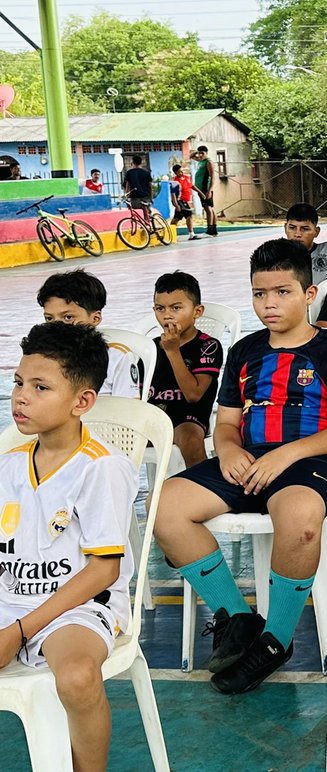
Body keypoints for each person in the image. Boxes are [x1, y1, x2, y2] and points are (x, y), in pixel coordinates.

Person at [152, 239, 327, 694]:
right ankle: (237, 618)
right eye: (259, 293)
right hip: (248, 460)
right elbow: (228, 420)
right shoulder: (246, 350)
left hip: (316, 459)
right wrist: (228, 450)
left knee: (299, 520)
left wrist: (287, 454)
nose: (269, 304)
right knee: (166, 507)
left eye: (282, 292)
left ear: (309, 295)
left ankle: (276, 638)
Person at [1, 322, 139, 772]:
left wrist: (18, 632)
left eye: (41, 387)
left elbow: (103, 571)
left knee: (78, 677)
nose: (21, 396)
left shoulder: (101, 467)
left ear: (82, 401)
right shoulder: (9, 465)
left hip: (76, 607)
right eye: (19, 382)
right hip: (11, 602)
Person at [146, 271, 223, 467]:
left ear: (197, 312)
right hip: (153, 416)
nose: (167, 315)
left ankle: (202, 488)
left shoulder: (209, 346)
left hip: (188, 418)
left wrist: (173, 351)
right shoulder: (148, 348)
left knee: (190, 441)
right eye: (160, 308)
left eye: (176, 308)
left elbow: (193, 394)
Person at [37, 270, 141, 399]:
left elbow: (129, 409)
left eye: (68, 317)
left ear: (95, 319)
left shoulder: (118, 358)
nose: (57, 326)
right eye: (49, 319)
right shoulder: (40, 357)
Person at [284, 202, 327, 286]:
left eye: (305, 229)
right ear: (285, 228)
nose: (297, 234)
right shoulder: (275, 257)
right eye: (292, 228)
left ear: (316, 232)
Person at [191, 145, 218, 236]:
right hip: (200, 188)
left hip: (205, 188)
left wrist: (209, 190)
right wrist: (197, 152)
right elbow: (191, 156)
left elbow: (212, 177)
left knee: (208, 208)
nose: (200, 155)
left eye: (202, 153)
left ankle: (210, 230)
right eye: (199, 153)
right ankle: (213, 230)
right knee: (209, 208)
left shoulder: (208, 162)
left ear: (206, 153)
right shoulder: (201, 161)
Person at [170, 164, 198, 240]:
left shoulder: (186, 178)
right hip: (180, 201)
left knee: (177, 218)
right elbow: (173, 195)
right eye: (179, 171)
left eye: (181, 170)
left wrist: (200, 192)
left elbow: (192, 186)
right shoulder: (175, 182)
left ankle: (170, 233)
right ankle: (191, 234)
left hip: (185, 200)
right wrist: (176, 205)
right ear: (175, 172)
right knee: (189, 215)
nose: (181, 172)